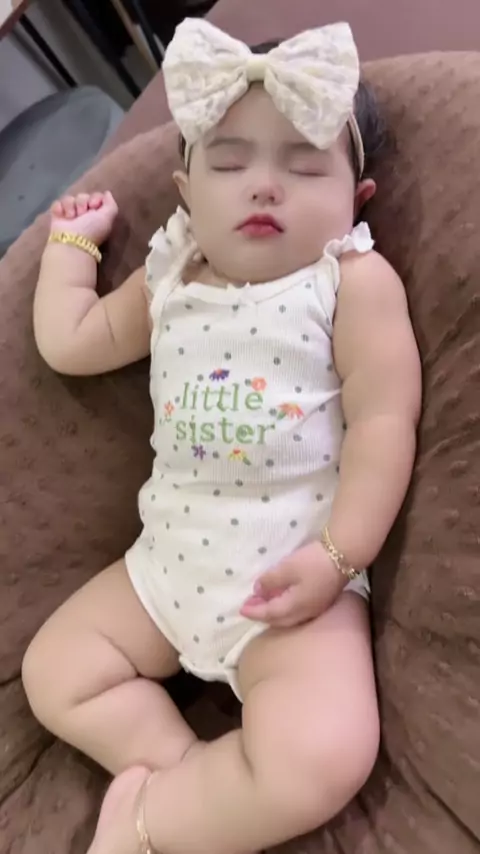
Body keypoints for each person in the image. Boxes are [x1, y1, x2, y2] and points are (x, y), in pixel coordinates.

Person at [21, 18, 421, 854]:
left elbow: (386, 423)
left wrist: (338, 556)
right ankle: (184, 780)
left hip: (290, 585)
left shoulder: (348, 281)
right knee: (54, 673)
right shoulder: (171, 274)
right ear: (185, 192)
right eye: (230, 165)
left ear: (356, 199)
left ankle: (147, 822)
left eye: (303, 166)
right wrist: (70, 247)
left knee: (325, 754)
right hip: (164, 569)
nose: (263, 187)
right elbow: (74, 341)